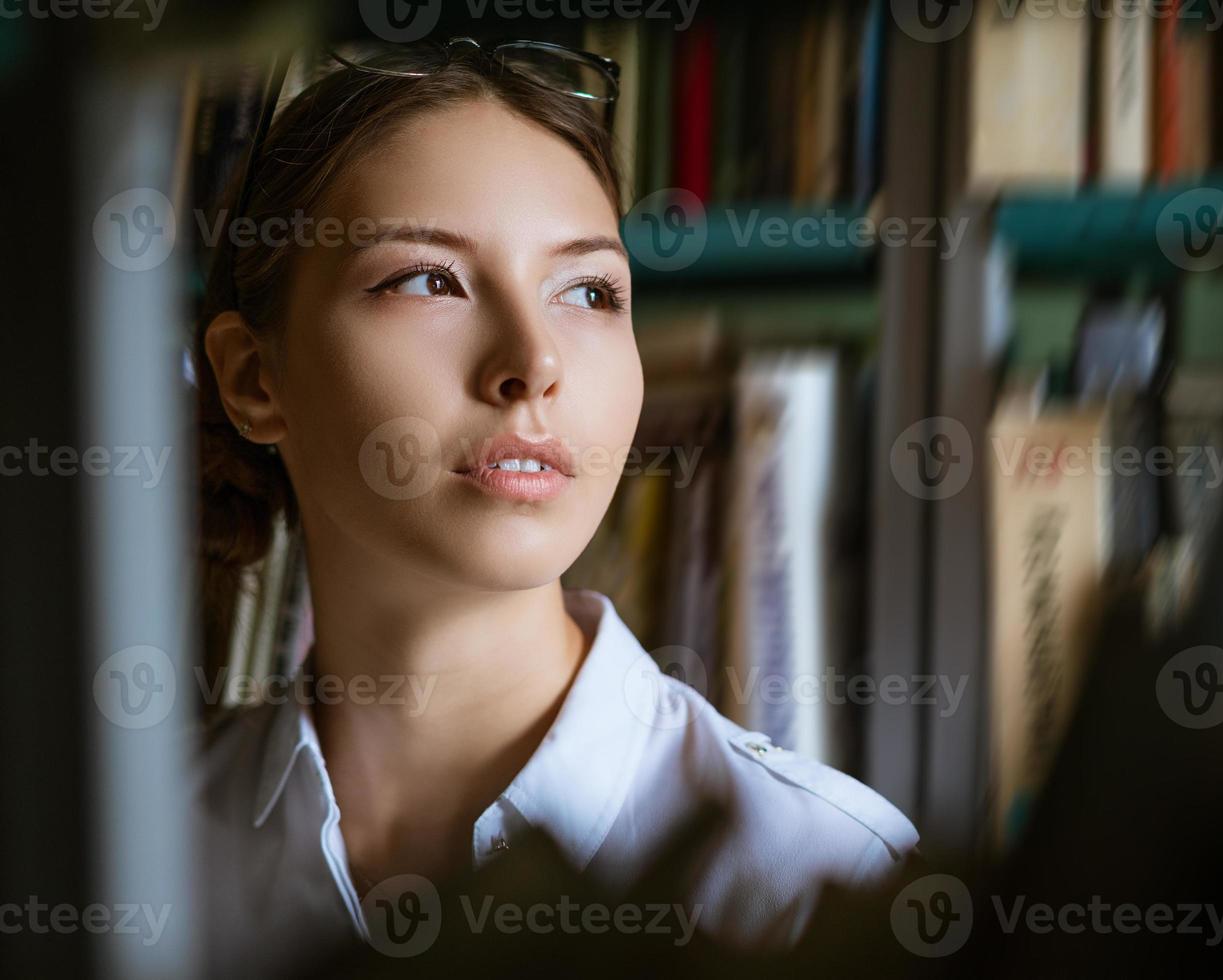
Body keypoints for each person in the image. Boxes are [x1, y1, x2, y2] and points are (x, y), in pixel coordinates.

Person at [192, 38, 917, 969]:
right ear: (255, 377)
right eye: (428, 279)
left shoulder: (825, 878)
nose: (533, 364)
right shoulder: (111, 857)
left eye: (587, 291)